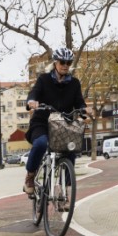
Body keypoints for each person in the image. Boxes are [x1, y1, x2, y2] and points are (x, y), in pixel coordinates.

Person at [23, 47, 92, 201]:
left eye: (68, 62)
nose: (65, 65)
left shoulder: (74, 83)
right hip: (42, 122)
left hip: (62, 125)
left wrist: (85, 109)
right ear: (55, 63)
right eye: (62, 62)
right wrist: (32, 101)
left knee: (70, 150)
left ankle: (66, 193)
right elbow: (34, 92)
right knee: (41, 144)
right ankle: (30, 175)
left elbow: (79, 102)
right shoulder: (44, 79)